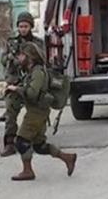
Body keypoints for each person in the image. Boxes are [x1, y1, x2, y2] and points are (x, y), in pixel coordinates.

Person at [8, 42, 77, 181]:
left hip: (37, 112)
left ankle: (27, 171)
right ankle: (67, 158)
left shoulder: (38, 72)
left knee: (21, 140)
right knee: (39, 146)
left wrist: (17, 89)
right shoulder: (32, 71)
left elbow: (32, 93)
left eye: (22, 55)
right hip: (39, 111)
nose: (19, 58)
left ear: (30, 57)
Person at [0, 12, 44, 157]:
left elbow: (43, 59)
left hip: (31, 81)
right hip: (15, 81)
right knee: (10, 112)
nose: (23, 29)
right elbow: (3, 60)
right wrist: (11, 57)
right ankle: (10, 143)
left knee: (36, 111)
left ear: (31, 26)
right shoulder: (11, 42)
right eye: (20, 26)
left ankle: (36, 139)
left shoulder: (38, 43)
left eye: (25, 26)